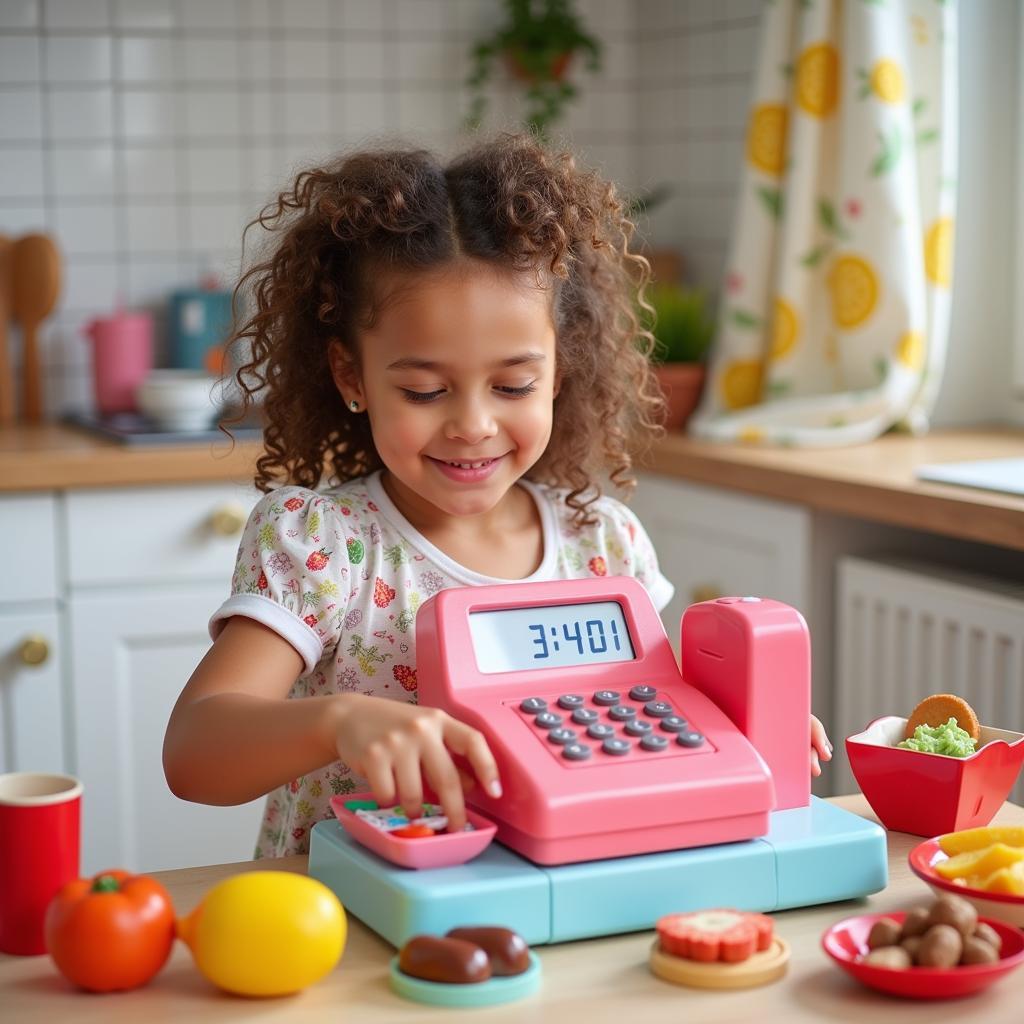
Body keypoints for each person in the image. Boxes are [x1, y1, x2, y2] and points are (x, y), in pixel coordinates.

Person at [163, 134, 832, 859]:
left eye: (513, 386)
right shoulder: (325, 545)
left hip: (558, 899)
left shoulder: (603, 543)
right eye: (424, 390)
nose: (473, 425)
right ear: (351, 376)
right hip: (342, 926)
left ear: (559, 373)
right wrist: (339, 722)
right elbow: (196, 752)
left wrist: (736, 720)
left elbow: (648, 718)